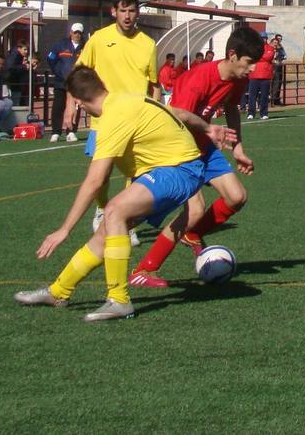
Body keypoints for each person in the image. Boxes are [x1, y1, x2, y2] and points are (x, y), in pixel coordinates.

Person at [13, 65, 227, 322]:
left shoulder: (113, 117)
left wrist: (64, 230)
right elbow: (180, 113)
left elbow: (95, 181)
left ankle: (119, 299)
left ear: (79, 103)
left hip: (179, 170)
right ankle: (59, 291)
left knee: (114, 210)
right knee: (107, 230)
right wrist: (208, 128)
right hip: (178, 168)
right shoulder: (128, 98)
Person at [130, 26, 264, 286]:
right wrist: (208, 129)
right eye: (249, 63)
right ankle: (144, 269)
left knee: (237, 197)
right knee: (194, 209)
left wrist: (238, 149)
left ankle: (192, 235)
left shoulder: (238, 79)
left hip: (204, 143)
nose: (252, 70)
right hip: (177, 146)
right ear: (232, 55)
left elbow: (231, 109)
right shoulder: (198, 78)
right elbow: (178, 116)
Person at [76, 0, 160, 238]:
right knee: (100, 175)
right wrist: (75, 102)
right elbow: (80, 70)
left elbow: (153, 84)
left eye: (132, 10)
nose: (127, 16)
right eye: (122, 10)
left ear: (138, 13)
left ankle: (125, 219)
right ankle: (102, 209)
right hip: (104, 119)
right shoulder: (99, 39)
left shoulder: (147, 44)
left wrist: (154, 112)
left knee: (136, 174)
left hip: (136, 120)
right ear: (114, 12)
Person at [47, 23, 86, 142]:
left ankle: (71, 131)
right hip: (61, 82)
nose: (77, 35)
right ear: (71, 32)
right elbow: (51, 59)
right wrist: (58, 72)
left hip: (76, 83)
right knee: (58, 107)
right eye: (75, 32)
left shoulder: (86, 46)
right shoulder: (60, 45)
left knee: (75, 107)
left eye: (79, 33)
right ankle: (56, 132)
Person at [245, 36, 274, 120]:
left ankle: (264, 113)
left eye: (264, 38)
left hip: (265, 75)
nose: (263, 39)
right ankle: (251, 113)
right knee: (252, 96)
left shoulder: (270, 48)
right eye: (261, 38)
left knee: (264, 96)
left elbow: (269, 57)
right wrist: (263, 57)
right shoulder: (253, 48)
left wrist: (259, 57)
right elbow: (252, 57)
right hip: (254, 75)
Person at [270, 35, 286, 105]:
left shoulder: (280, 48)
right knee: (272, 84)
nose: (279, 40)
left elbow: (284, 55)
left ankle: (276, 99)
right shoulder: (270, 48)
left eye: (280, 39)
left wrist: (282, 59)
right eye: (278, 39)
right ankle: (271, 100)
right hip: (272, 67)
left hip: (278, 67)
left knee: (278, 83)